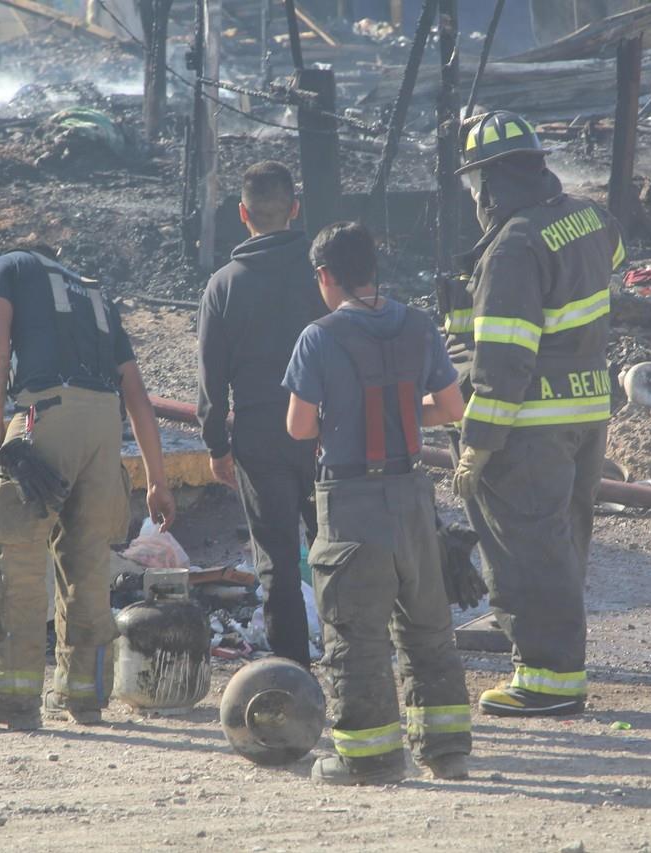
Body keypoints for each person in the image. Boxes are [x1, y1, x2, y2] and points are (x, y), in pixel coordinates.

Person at [0, 245, 177, 730]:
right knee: (88, 562)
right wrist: (157, 478)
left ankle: (11, 695)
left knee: (11, 557)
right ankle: (84, 696)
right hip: (104, 427)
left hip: (42, 412)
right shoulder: (94, 294)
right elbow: (137, 393)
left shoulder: (6, 266)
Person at [444, 110, 625, 717]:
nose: (475, 199)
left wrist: (478, 445)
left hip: (528, 427)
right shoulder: (589, 217)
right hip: (586, 411)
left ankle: (549, 678)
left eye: (475, 186)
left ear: (490, 183)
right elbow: (612, 259)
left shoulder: (513, 247)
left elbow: (503, 363)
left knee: (527, 546)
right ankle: (539, 642)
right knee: (562, 539)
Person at [284, 222, 471, 786]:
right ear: (374, 267)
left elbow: (298, 427)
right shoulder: (417, 325)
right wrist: (404, 418)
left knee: (355, 636)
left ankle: (369, 757)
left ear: (325, 276)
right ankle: (447, 751)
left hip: (351, 502)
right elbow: (452, 407)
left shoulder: (318, 336)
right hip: (413, 496)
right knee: (428, 627)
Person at [198, 161, 326, 667]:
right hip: (323, 432)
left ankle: (293, 672)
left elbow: (211, 379)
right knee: (335, 551)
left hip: (258, 437)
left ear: (242, 215)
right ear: (295, 210)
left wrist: (216, 446)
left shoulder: (224, 285)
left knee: (275, 562)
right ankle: (350, 660)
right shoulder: (323, 275)